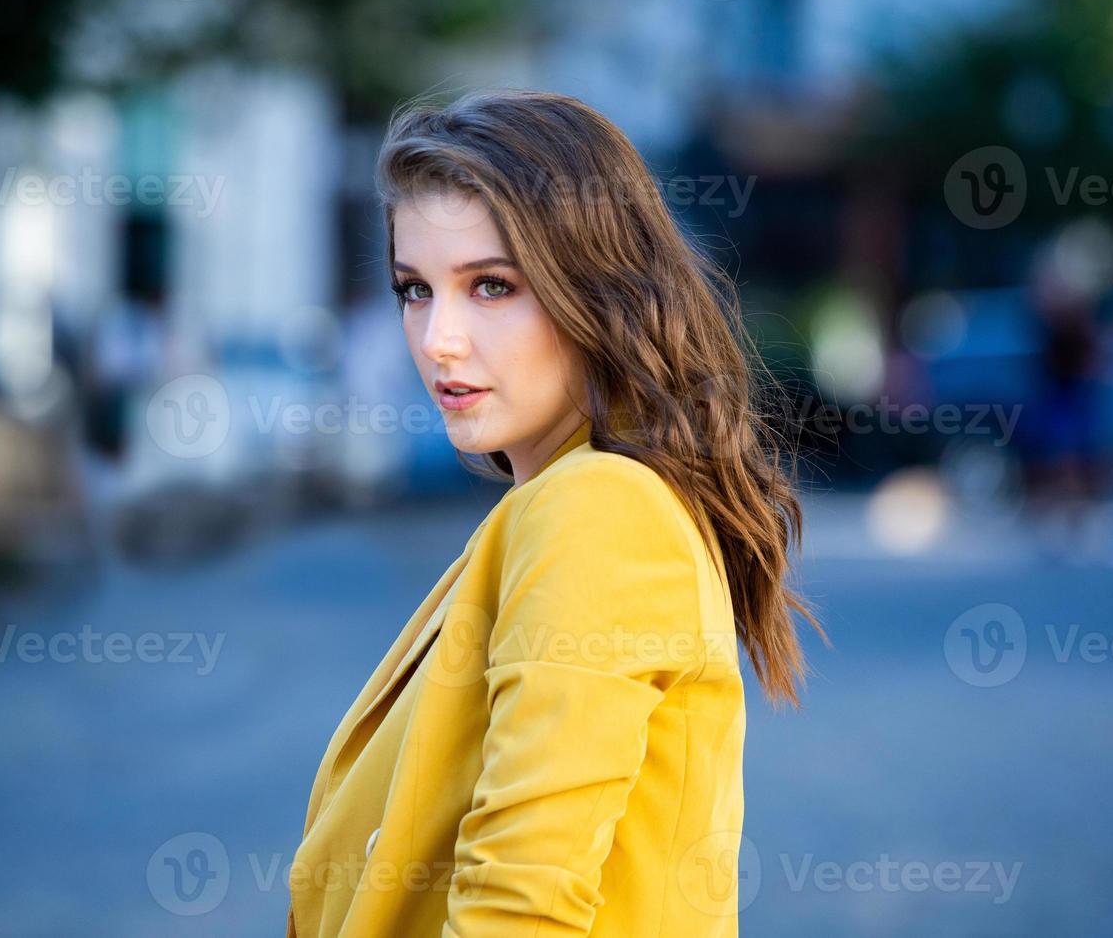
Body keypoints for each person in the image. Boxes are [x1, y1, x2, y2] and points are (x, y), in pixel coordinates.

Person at [286, 89, 822, 937]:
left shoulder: (598, 510)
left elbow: (519, 910)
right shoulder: (567, 503)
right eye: (415, 289)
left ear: (597, 290)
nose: (437, 340)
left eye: (492, 286)